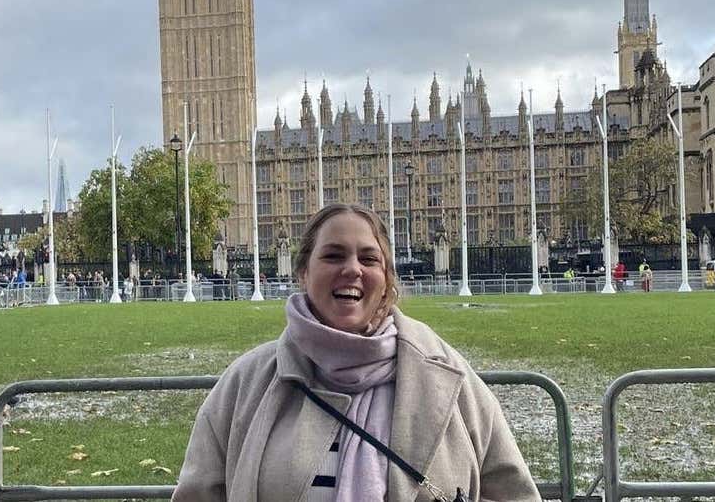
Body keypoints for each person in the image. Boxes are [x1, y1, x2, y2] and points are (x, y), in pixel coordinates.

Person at [174, 204, 539, 501]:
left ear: (387, 278)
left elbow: (514, 493)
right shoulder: (247, 383)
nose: (352, 269)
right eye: (333, 256)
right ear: (303, 271)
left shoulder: (448, 376)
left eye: (369, 259)